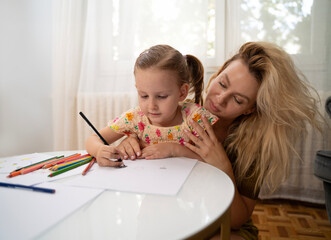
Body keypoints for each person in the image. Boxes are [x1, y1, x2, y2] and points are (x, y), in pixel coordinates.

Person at [115, 41, 324, 240]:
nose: (220, 98)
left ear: (251, 108)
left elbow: (237, 221)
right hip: (180, 216)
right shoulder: (179, 110)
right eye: (222, 83)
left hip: (225, 228)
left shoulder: (253, 147)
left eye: (237, 99)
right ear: (217, 74)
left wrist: (223, 165)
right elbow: (148, 136)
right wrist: (129, 141)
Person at [85, 44, 218, 167]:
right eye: (144, 96)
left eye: (161, 96)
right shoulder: (134, 118)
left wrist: (175, 149)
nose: (151, 106)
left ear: (182, 92)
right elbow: (93, 139)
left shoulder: (194, 118)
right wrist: (99, 150)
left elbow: (212, 162)